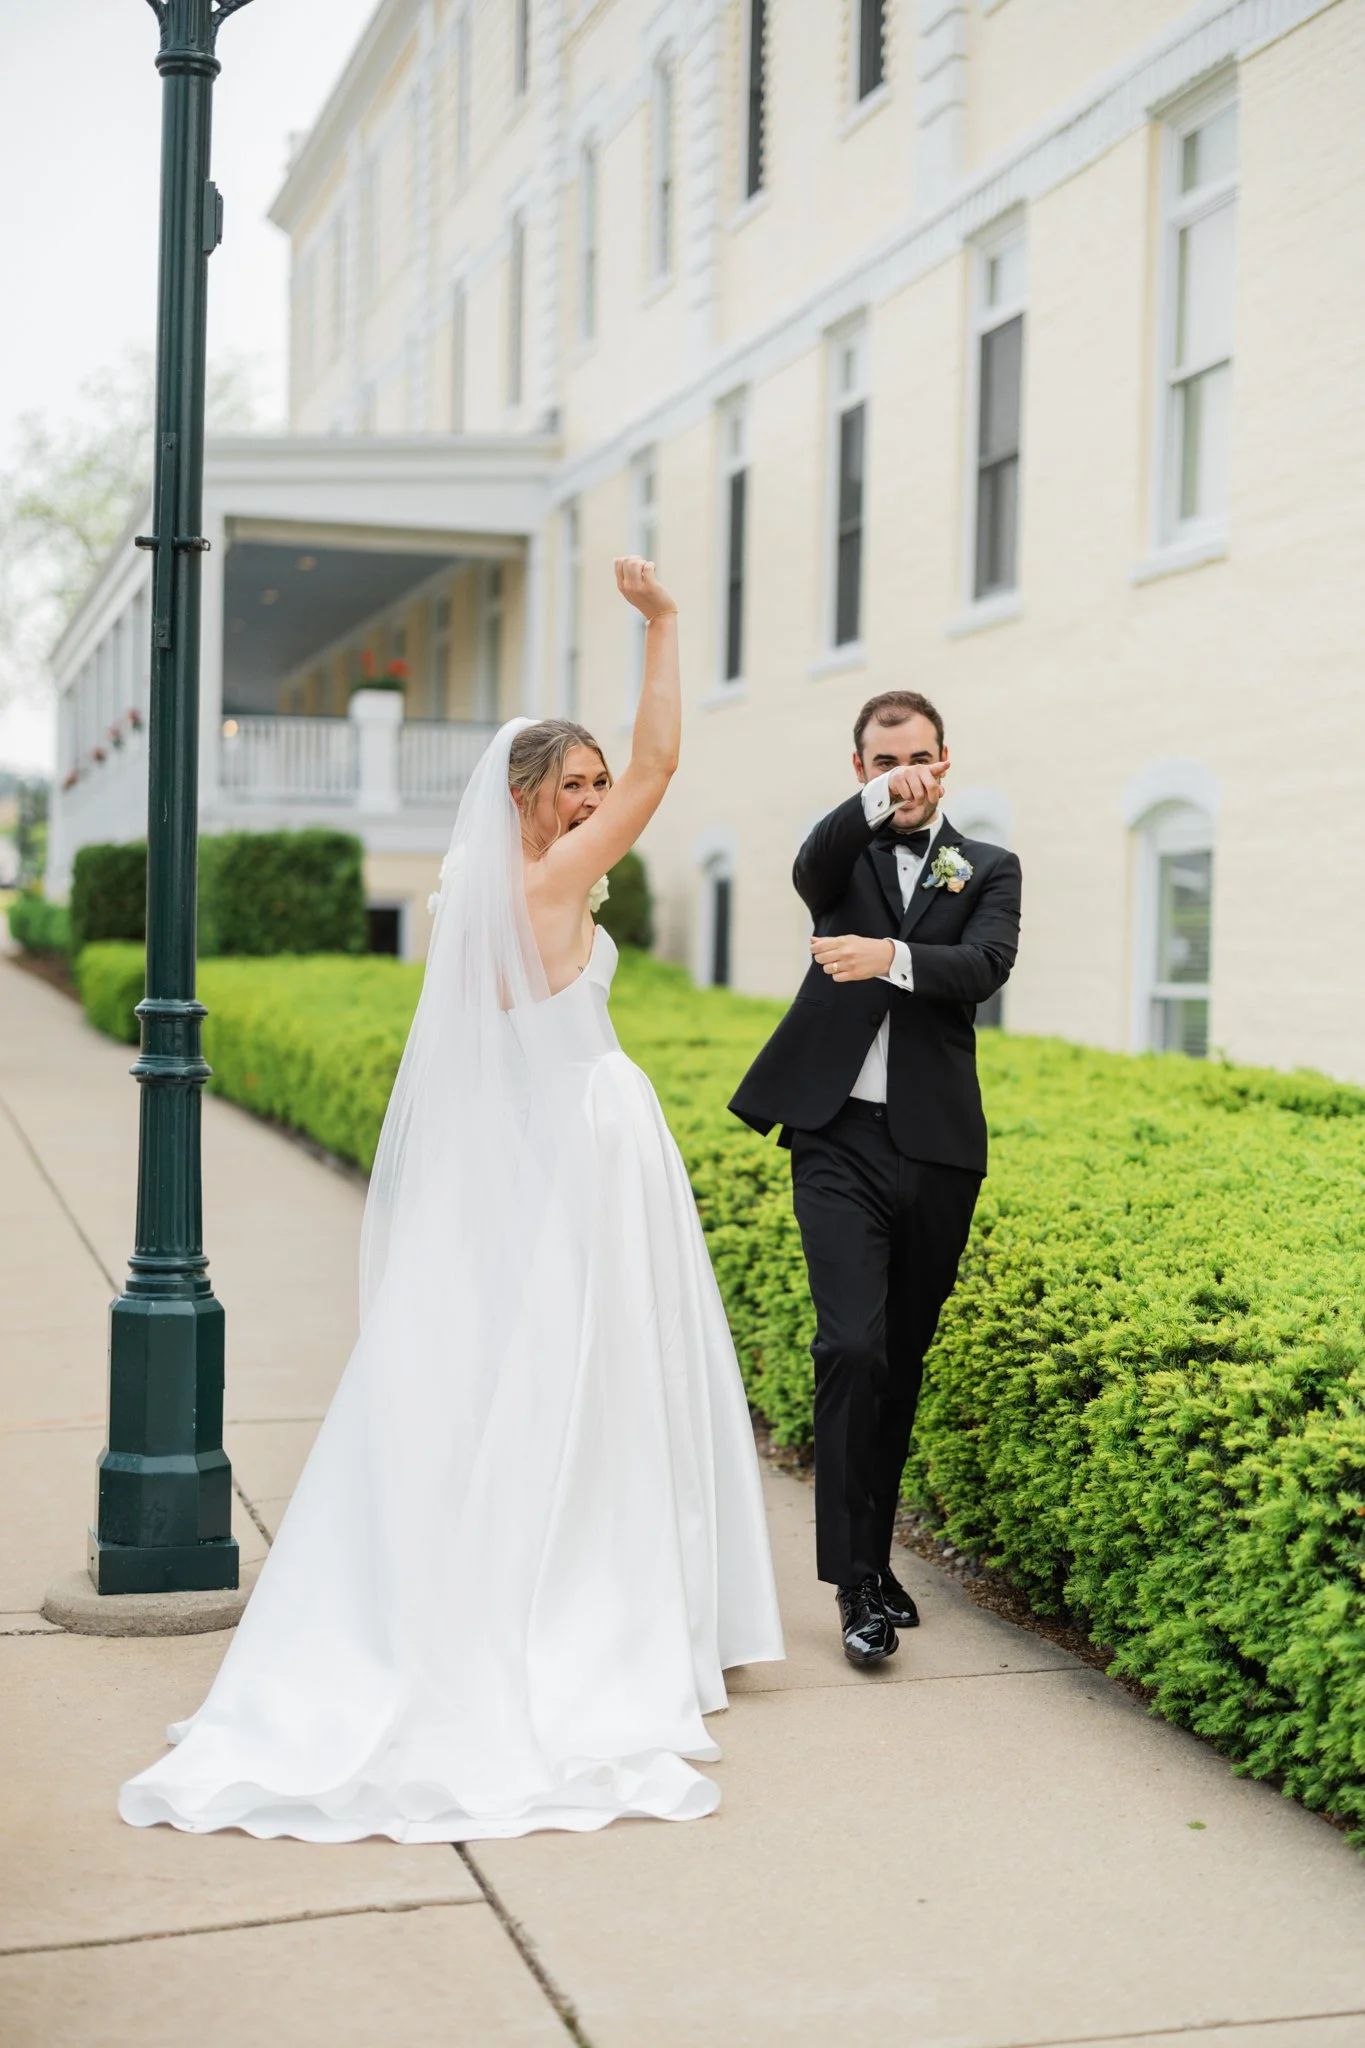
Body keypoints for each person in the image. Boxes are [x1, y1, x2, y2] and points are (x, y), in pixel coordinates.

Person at [119, 558, 783, 1843]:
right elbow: (662, 765)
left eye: (595, 784)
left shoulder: (472, 896)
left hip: (545, 1144)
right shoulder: (552, 879)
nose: (595, 799)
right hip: (588, 1135)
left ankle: (561, 1578)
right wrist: (664, 624)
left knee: (549, 1373)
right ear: (527, 796)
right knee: (593, 1367)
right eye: (574, 784)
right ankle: (592, 1605)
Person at [729, 690, 1021, 1668]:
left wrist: (888, 956)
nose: (906, 774)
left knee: (898, 1359)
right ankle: (854, 1583)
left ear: (947, 760)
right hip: (836, 1138)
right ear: (860, 768)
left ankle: (874, 1556)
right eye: (886, 760)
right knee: (849, 1345)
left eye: (920, 758)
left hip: (937, 1146)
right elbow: (809, 862)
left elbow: (982, 966)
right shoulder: (841, 858)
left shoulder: (988, 866)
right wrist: (874, 809)